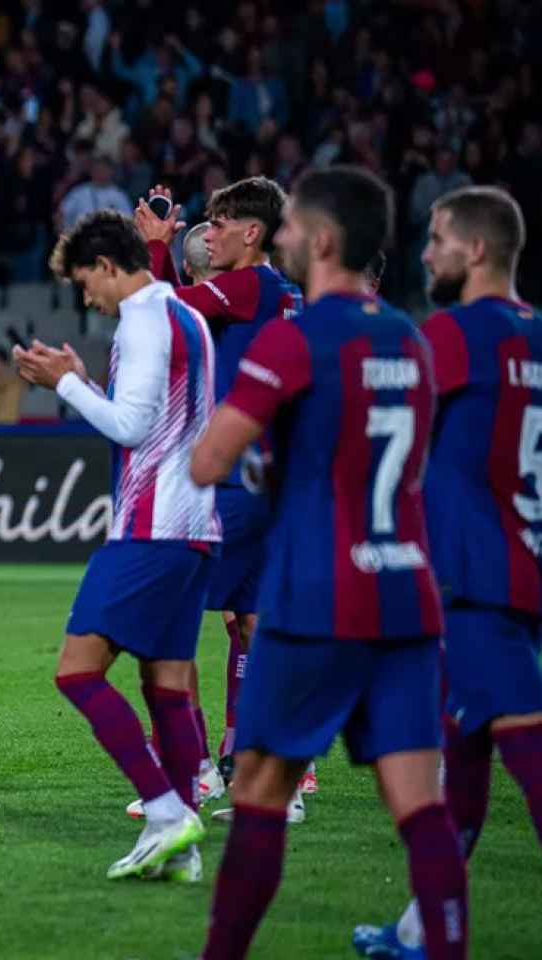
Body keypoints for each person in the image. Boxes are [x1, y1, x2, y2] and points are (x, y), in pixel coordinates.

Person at [190, 166, 467, 960]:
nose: (277, 238)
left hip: (318, 595)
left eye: (289, 227)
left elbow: (211, 461)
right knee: (419, 809)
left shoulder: (294, 338)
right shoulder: (412, 341)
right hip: (407, 597)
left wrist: (266, 461)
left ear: (323, 239)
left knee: (259, 793)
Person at [354, 186, 542, 959]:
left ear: (474, 251)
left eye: (435, 239)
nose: (425, 253)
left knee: (528, 754)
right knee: (458, 764)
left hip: (472, 580)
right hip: (519, 564)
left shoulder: (457, 332)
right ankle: (424, 931)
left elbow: (388, 417)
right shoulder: (534, 334)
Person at [12, 209, 217, 882]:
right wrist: (84, 379)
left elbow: (131, 430)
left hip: (151, 527)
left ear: (107, 266)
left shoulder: (144, 320)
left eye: (84, 283)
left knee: (76, 671)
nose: (86, 299)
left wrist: (63, 384)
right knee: (166, 687)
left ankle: (164, 810)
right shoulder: (187, 316)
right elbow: (159, 421)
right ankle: (181, 844)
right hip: (196, 527)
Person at [134, 177, 308, 812]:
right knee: (254, 623)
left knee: (160, 620)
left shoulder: (244, 285)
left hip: (230, 483)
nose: (208, 232)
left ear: (252, 233)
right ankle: (276, 783)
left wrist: (155, 247)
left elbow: (161, 312)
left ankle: (195, 771)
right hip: (270, 482)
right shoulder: (287, 295)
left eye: (219, 222)